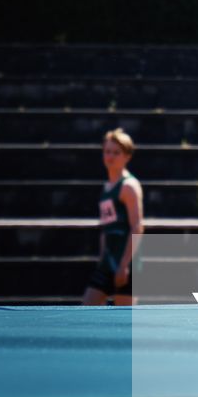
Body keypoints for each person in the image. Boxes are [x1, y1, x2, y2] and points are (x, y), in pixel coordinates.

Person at [82, 128, 144, 305]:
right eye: (107, 151)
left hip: (126, 263)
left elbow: (137, 227)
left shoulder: (129, 186)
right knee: (86, 310)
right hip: (107, 263)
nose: (110, 157)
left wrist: (124, 265)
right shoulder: (107, 186)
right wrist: (102, 258)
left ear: (127, 156)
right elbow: (106, 226)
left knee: (125, 323)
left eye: (116, 153)